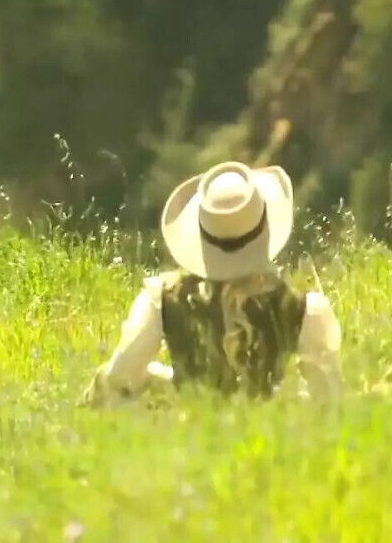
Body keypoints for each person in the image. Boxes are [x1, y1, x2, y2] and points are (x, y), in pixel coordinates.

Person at [84, 161, 343, 404]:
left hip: (190, 441)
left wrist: (159, 379)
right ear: (263, 229)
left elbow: (119, 378)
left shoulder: (162, 299)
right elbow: (329, 400)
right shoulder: (302, 309)